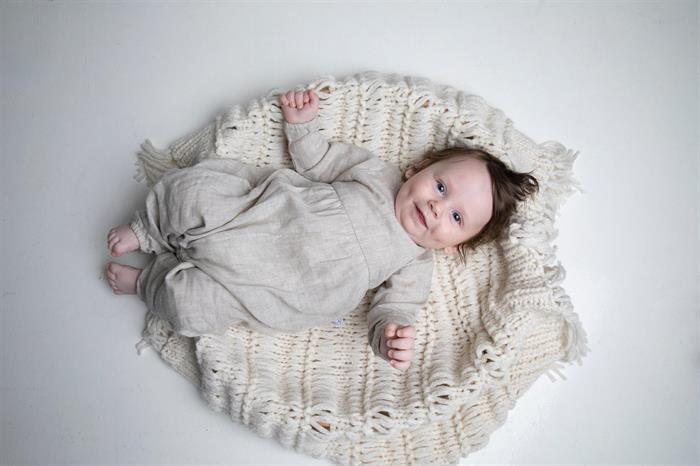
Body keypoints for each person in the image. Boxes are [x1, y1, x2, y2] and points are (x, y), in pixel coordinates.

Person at [105, 89, 539, 370]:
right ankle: (149, 230)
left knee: (190, 308)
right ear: (419, 168)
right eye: (441, 187)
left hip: (274, 292)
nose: (437, 207)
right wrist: (303, 126)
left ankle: (147, 282)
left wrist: (389, 335)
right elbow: (319, 160)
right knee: (193, 191)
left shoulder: (415, 261)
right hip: (259, 217)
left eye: (457, 219)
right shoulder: (377, 174)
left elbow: (394, 308)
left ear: (454, 247)